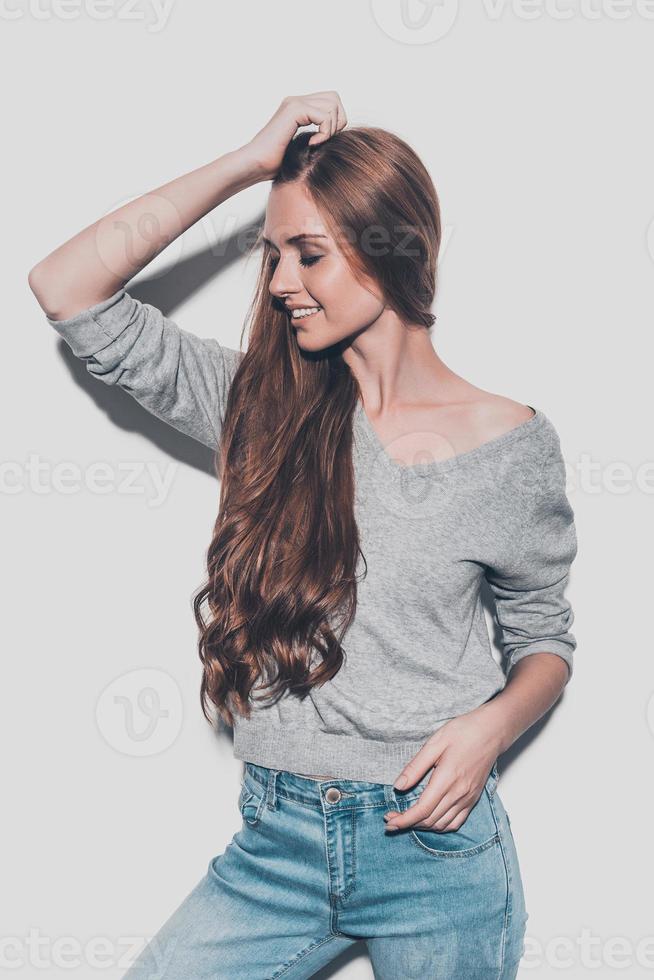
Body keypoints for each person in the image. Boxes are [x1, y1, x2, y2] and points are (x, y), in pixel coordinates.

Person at [29, 91, 577, 979]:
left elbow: (545, 641)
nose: (281, 283)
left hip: (434, 848)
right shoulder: (259, 408)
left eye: (309, 255)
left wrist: (489, 731)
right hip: (276, 841)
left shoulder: (510, 446)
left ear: (391, 250)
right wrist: (251, 162)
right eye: (274, 256)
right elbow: (66, 287)